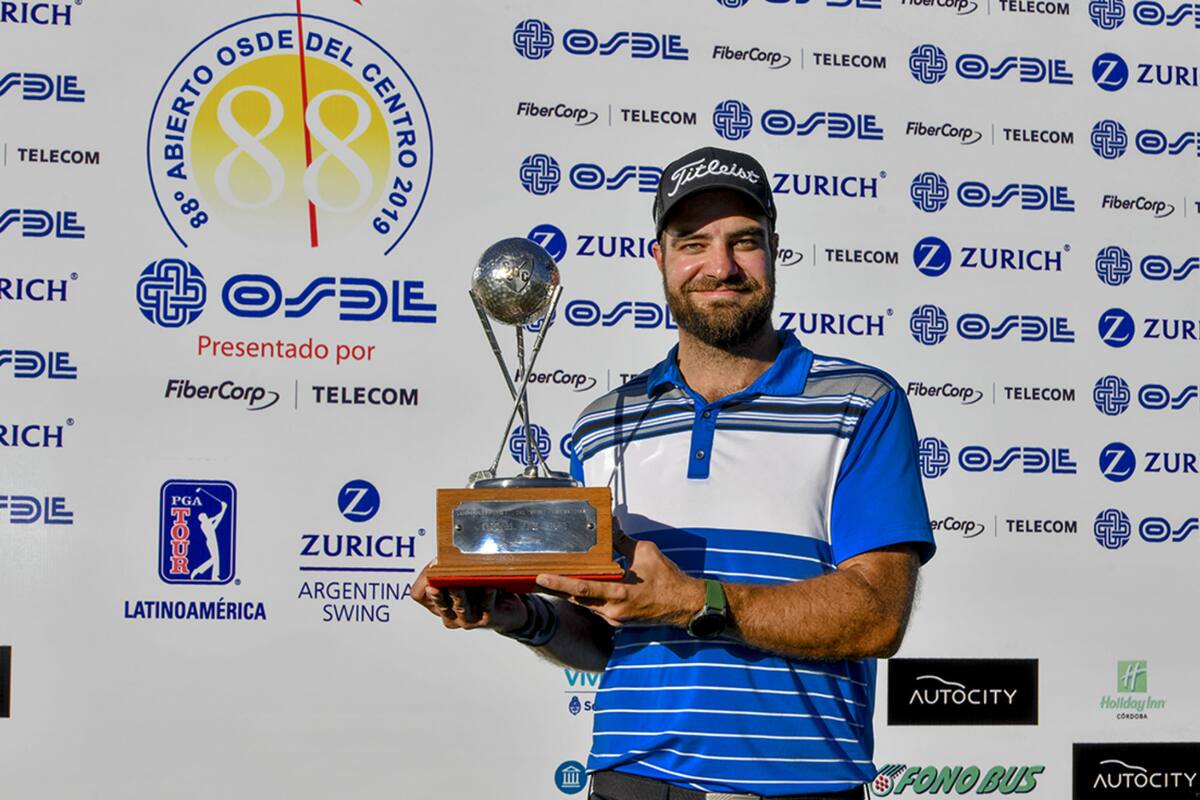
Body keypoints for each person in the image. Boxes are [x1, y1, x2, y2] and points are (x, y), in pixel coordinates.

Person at [412, 146, 935, 800]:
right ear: (660, 259)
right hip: (635, 784)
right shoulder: (604, 425)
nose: (720, 266)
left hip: (801, 784)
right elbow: (614, 637)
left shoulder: (860, 403)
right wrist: (520, 615)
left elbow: (878, 616)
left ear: (775, 250)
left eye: (744, 241)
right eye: (694, 243)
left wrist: (695, 600)